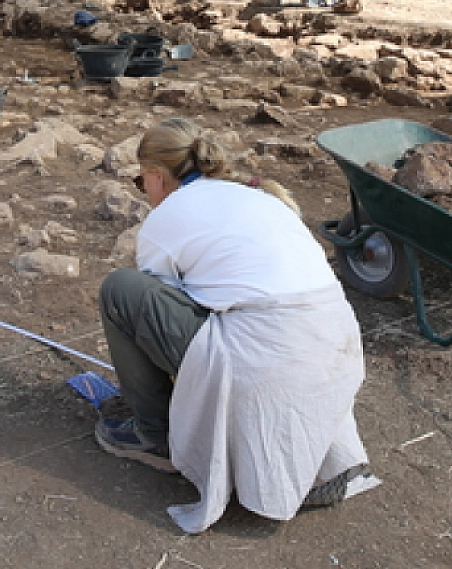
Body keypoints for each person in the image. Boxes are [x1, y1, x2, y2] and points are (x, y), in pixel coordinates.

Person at [96, 118, 377, 534]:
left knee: (121, 290)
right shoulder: (259, 197)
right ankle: (317, 462)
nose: (144, 190)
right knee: (269, 330)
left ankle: (155, 437)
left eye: (141, 181)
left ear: (156, 175)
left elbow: (165, 315)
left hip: (269, 351)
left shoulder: (165, 219)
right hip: (338, 345)